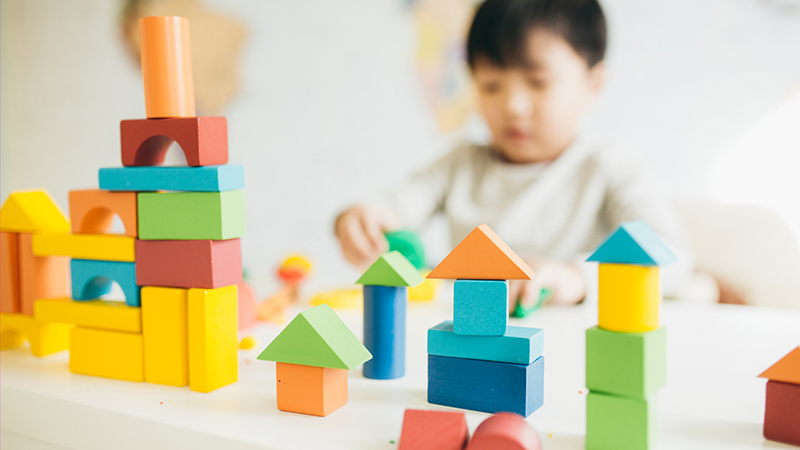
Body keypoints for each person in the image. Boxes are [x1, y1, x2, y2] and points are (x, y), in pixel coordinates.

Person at [334, 0, 693, 308]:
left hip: (573, 351)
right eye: (491, 86)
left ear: (593, 83)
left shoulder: (609, 166)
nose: (514, 106)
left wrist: (577, 277)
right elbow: (396, 204)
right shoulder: (460, 163)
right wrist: (363, 217)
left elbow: (670, 257)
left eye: (538, 83)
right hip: (473, 344)